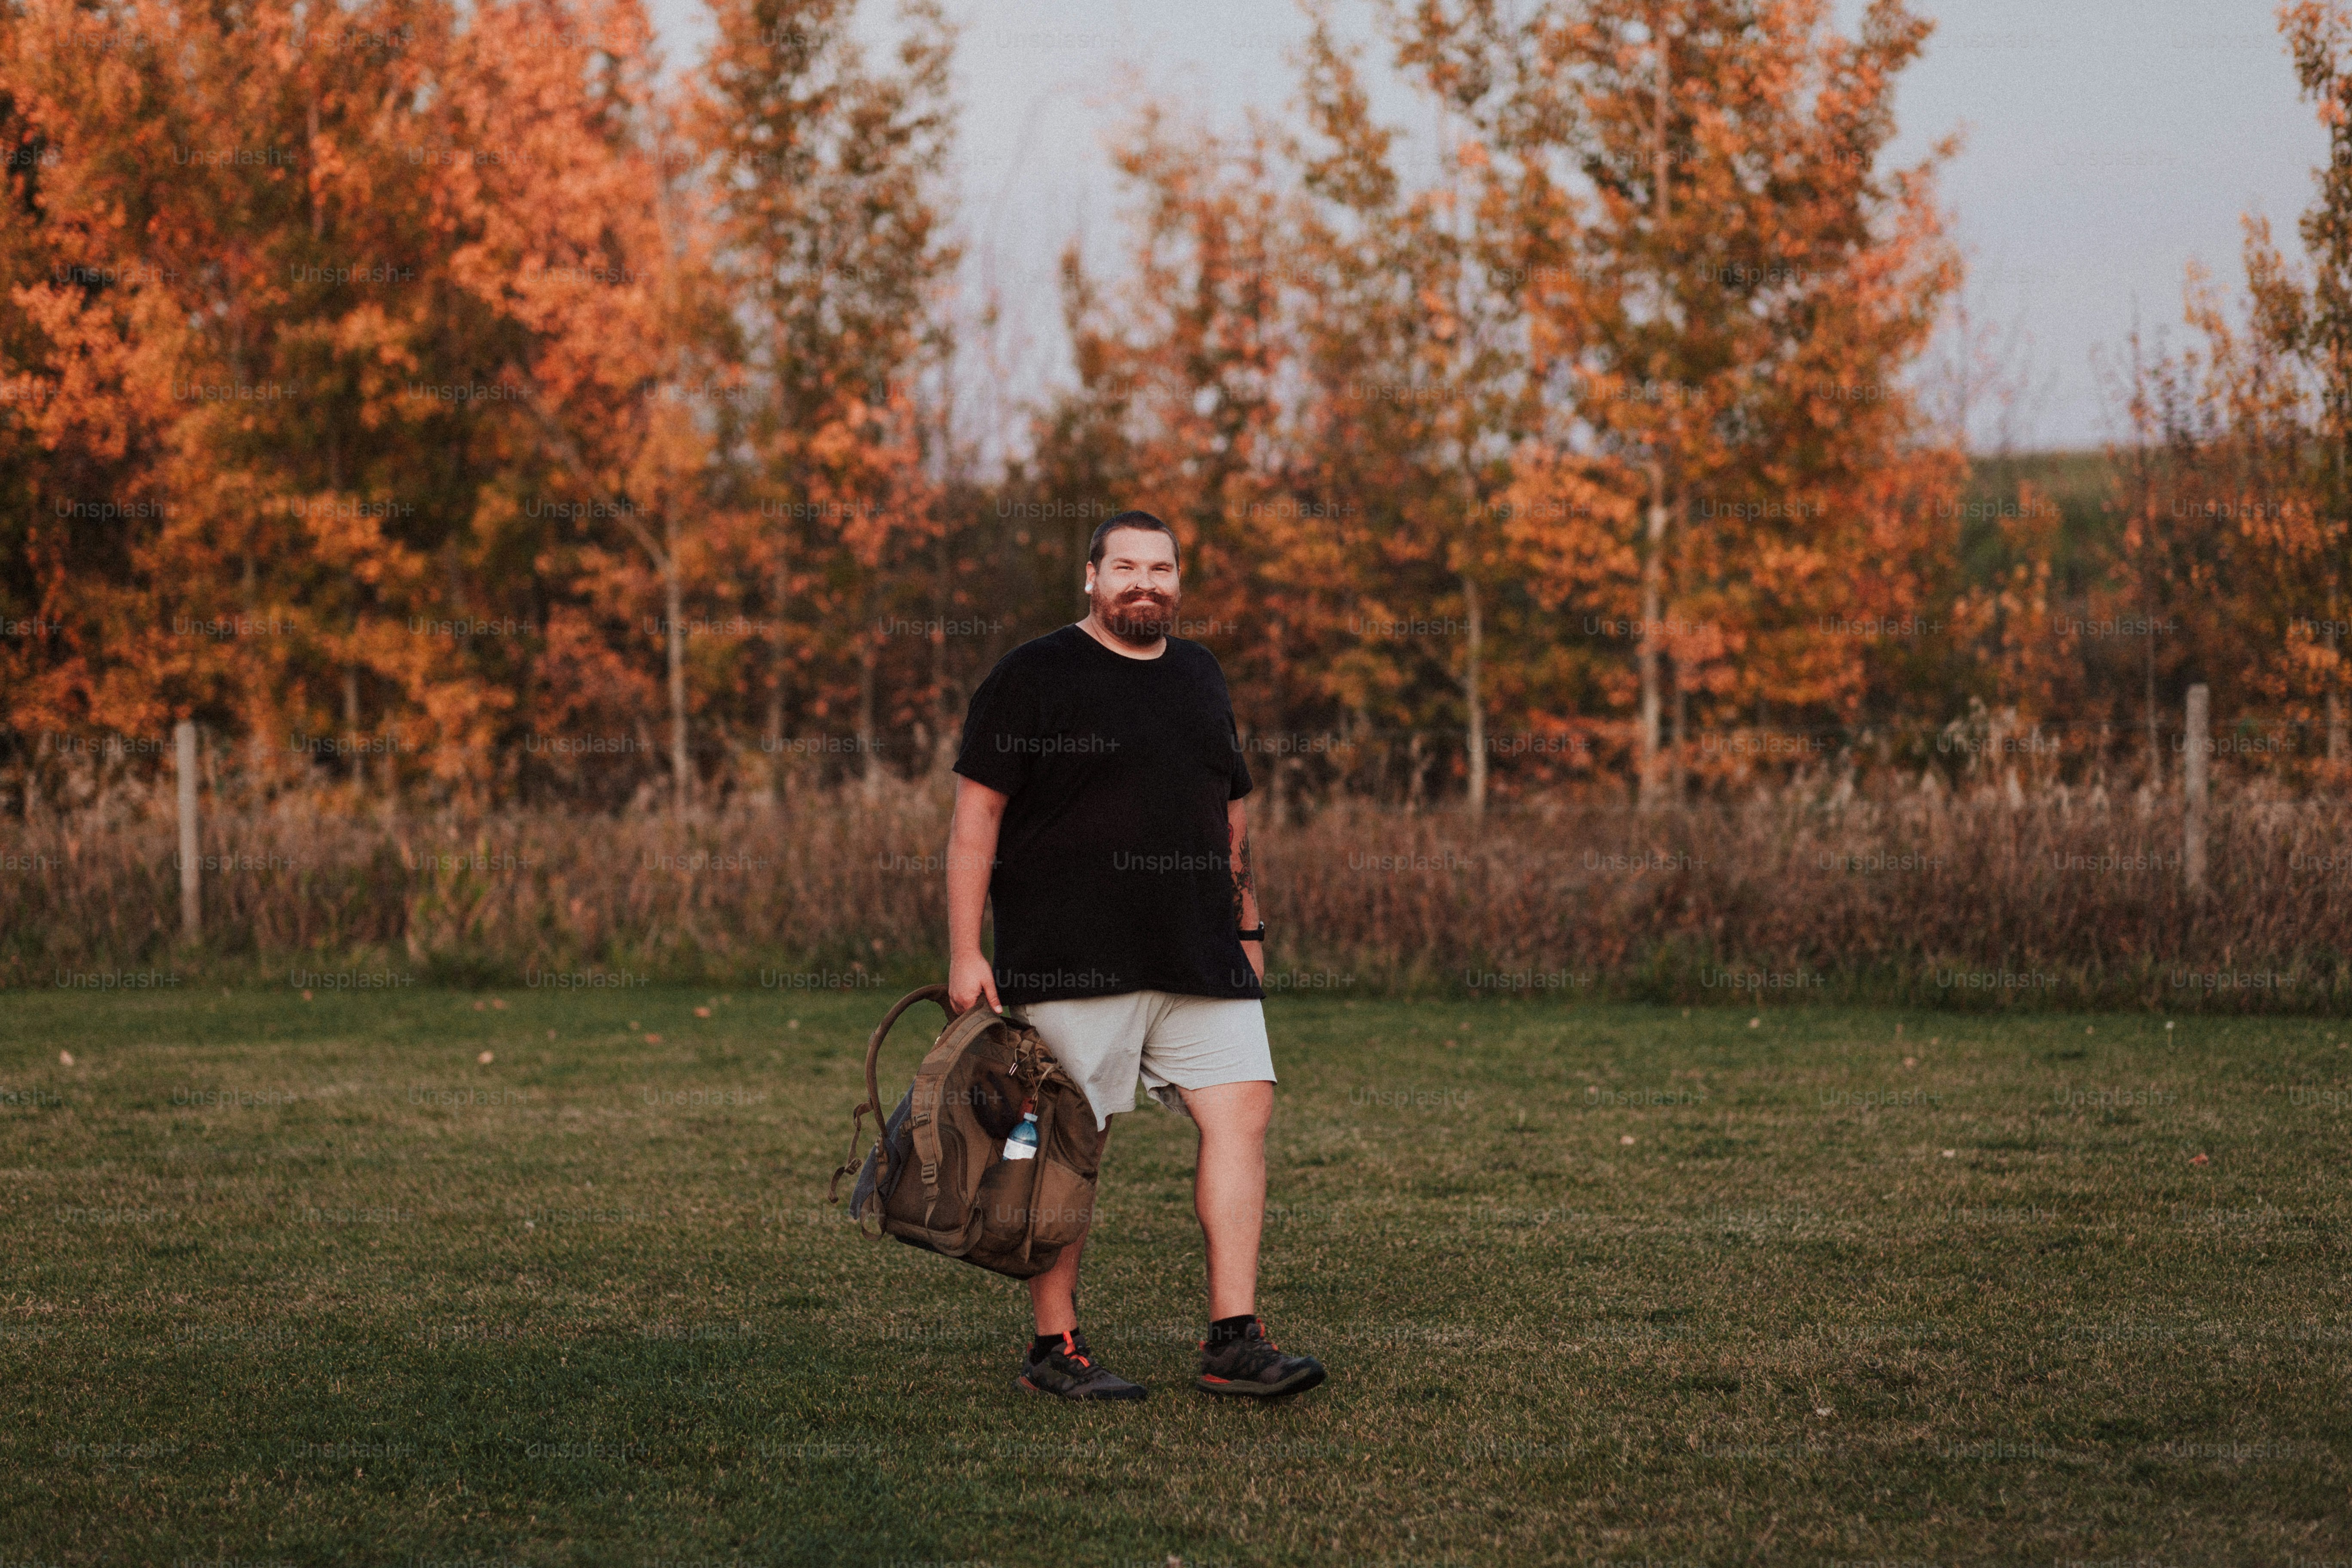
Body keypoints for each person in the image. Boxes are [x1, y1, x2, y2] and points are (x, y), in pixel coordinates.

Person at [944, 510, 1326, 1403]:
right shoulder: (1034, 674)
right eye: (1126, 567)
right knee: (1070, 1148)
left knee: (1243, 1120)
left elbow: (1229, 817)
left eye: (1161, 569)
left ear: (1179, 583)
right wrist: (967, 950)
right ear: (1091, 577)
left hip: (1199, 951)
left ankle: (1234, 1340)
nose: (1144, 583)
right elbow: (976, 820)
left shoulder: (1200, 674)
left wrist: (1250, 932)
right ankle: (1055, 1348)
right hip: (1074, 956)